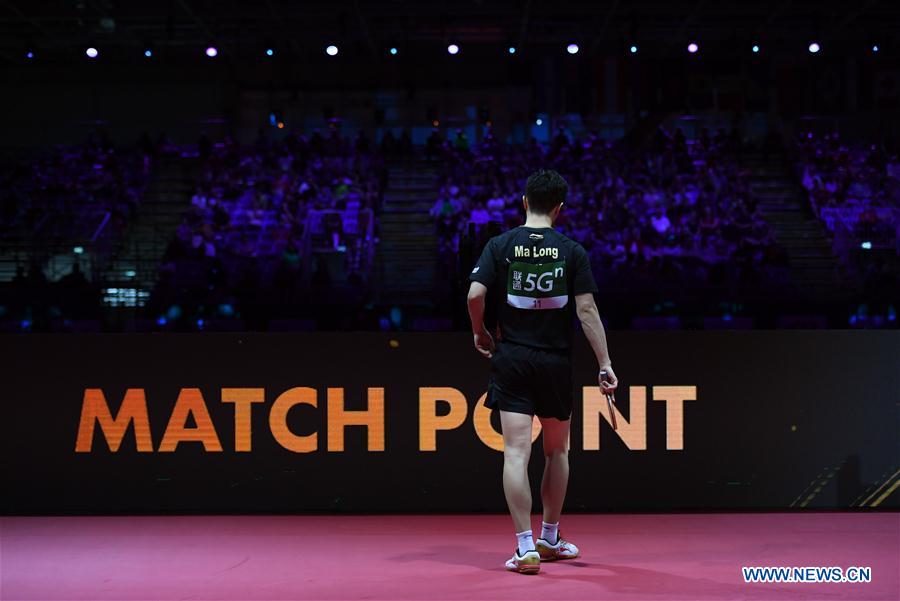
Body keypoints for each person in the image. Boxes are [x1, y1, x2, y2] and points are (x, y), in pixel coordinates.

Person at [466, 169, 618, 575]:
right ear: (559, 209)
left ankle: (525, 547)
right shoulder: (571, 250)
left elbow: (475, 294)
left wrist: (480, 331)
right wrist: (604, 363)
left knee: (516, 453)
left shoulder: (500, 245)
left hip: (513, 359)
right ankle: (549, 537)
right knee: (557, 451)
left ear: (524, 202)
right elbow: (587, 310)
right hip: (555, 362)